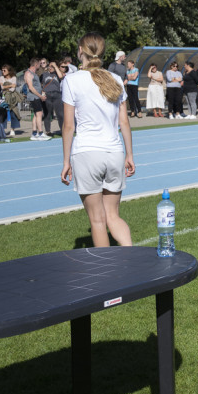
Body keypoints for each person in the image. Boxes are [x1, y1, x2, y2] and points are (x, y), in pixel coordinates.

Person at [60, 32, 135, 247]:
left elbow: (68, 126)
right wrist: (129, 154)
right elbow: (124, 122)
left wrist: (66, 162)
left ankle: (107, 271)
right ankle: (131, 256)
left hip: (87, 153)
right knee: (113, 215)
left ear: (80, 51)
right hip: (114, 152)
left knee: (97, 220)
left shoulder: (71, 80)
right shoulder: (116, 79)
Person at [24, 58, 50, 140]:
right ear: (36, 64)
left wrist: (41, 94)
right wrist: (40, 96)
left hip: (37, 96)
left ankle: (34, 133)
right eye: (39, 64)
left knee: (36, 115)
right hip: (34, 97)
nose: (40, 65)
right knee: (39, 114)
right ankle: (41, 133)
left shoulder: (34, 73)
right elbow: (31, 87)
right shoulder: (28, 73)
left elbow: (36, 86)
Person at [41, 60, 65, 135]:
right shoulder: (44, 74)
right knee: (47, 114)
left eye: (52, 67)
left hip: (57, 94)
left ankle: (62, 130)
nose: (50, 68)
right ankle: (48, 131)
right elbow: (40, 84)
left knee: (60, 114)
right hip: (47, 94)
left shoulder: (57, 74)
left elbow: (61, 76)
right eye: (50, 66)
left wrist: (55, 66)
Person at [0, 64, 22, 137]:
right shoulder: (1, 78)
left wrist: (6, 87)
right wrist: (9, 86)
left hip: (12, 98)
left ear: (9, 71)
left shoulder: (14, 77)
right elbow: (2, 87)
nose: (3, 72)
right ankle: (3, 130)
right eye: (2, 70)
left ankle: (12, 130)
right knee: (3, 113)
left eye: (4, 70)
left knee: (13, 113)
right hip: (4, 98)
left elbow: (13, 88)